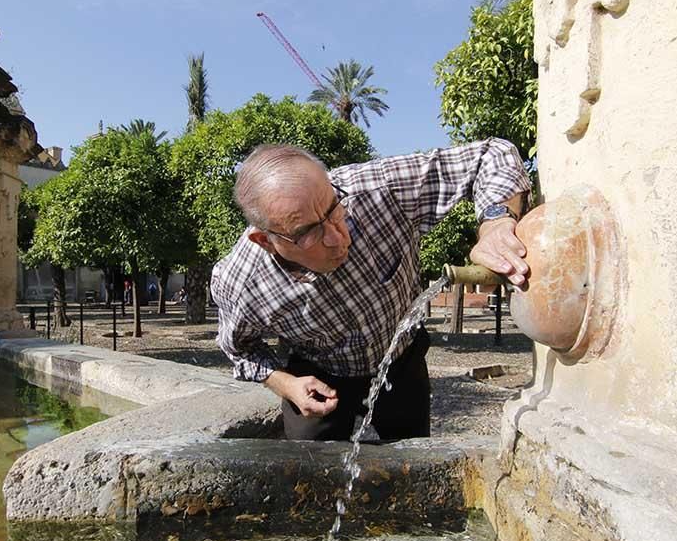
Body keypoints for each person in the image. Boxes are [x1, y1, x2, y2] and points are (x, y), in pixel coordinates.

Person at [210, 140, 531, 441]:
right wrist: (286, 384)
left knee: (412, 468)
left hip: (400, 361)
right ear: (267, 241)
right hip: (318, 375)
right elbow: (240, 349)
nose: (338, 237)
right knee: (310, 480)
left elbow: (494, 153)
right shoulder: (241, 283)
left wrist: (495, 223)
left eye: (334, 208)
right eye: (308, 232)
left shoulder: (377, 190)